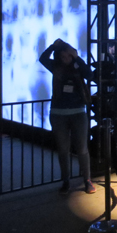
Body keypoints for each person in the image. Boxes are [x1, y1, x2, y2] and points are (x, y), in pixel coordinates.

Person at [39, 38, 96, 195]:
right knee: (63, 149)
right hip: (58, 114)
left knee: (82, 148)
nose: (66, 59)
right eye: (63, 56)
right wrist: (52, 46)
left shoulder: (78, 67)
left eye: (68, 56)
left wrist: (77, 58)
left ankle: (87, 180)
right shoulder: (55, 66)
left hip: (78, 112)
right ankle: (66, 181)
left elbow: (90, 74)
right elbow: (43, 58)